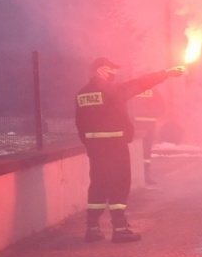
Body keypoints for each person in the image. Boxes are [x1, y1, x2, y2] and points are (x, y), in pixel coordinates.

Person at [75, 57, 185, 242]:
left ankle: (92, 228)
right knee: (119, 184)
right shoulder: (112, 90)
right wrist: (166, 73)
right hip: (115, 146)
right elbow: (140, 83)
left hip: (95, 148)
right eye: (112, 69)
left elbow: (79, 123)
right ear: (101, 70)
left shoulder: (82, 94)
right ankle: (120, 229)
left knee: (98, 184)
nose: (115, 73)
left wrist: (90, 145)